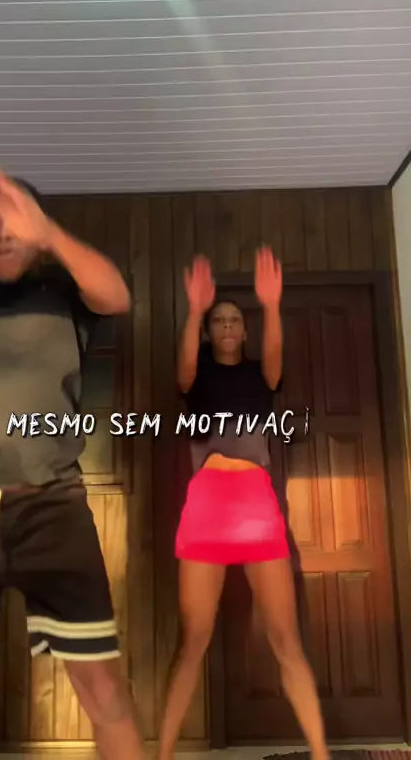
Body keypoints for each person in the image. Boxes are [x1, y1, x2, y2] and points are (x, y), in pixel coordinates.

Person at [0, 162, 144, 760]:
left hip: (53, 508)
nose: (0, 234)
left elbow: (118, 296)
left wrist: (49, 233)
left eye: (15, 223)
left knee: (105, 691)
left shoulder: (65, 291)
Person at [157, 249, 329, 760]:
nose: (228, 325)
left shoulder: (260, 376)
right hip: (207, 507)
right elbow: (182, 370)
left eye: (235, 319)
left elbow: (275, 362)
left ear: (245, 331)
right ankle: (161, 755)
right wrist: (194, 310)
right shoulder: (196, 379)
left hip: (256, 507)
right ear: (209, 333)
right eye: (219, 321)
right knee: (193, 641)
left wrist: (271, 305)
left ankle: (321, 754)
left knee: (286, 640)